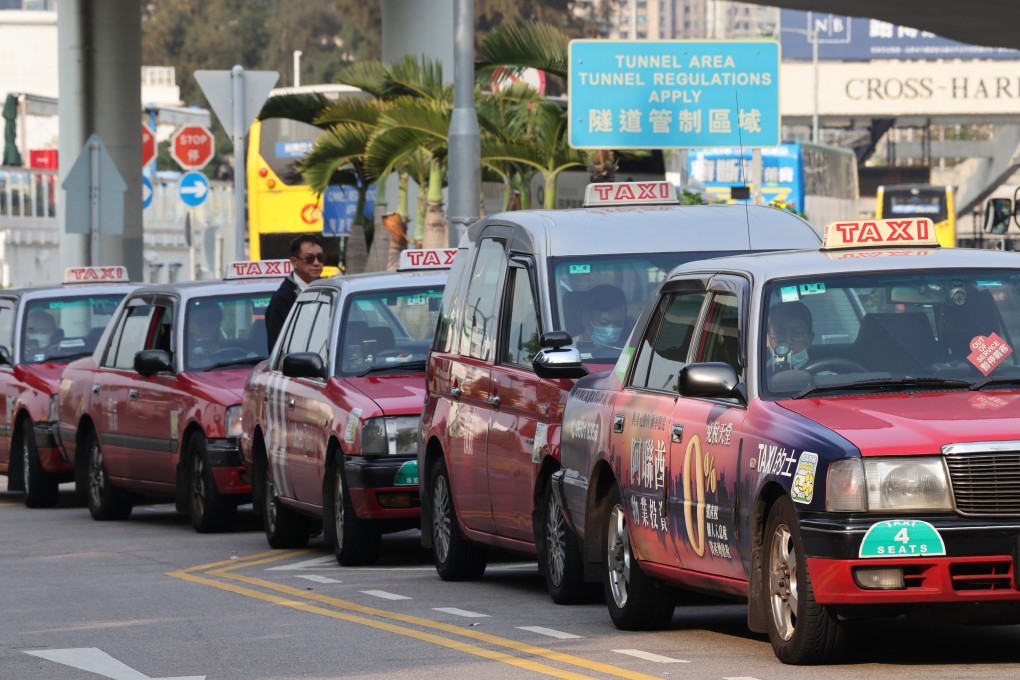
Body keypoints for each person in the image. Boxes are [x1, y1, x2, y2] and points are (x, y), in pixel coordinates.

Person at [266, 234, 325, 352]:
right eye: (309, 258)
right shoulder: (282, 298)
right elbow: (277, 348)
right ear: (294, 262)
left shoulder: (330, 289)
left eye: (320, 257)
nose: (316, 263)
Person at [767, 301, 814, 371]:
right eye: (780, 333)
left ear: (810, 339)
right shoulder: (754, 374)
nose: (787, 341)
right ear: (767, 338)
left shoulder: (824, 377)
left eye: (796, 333)